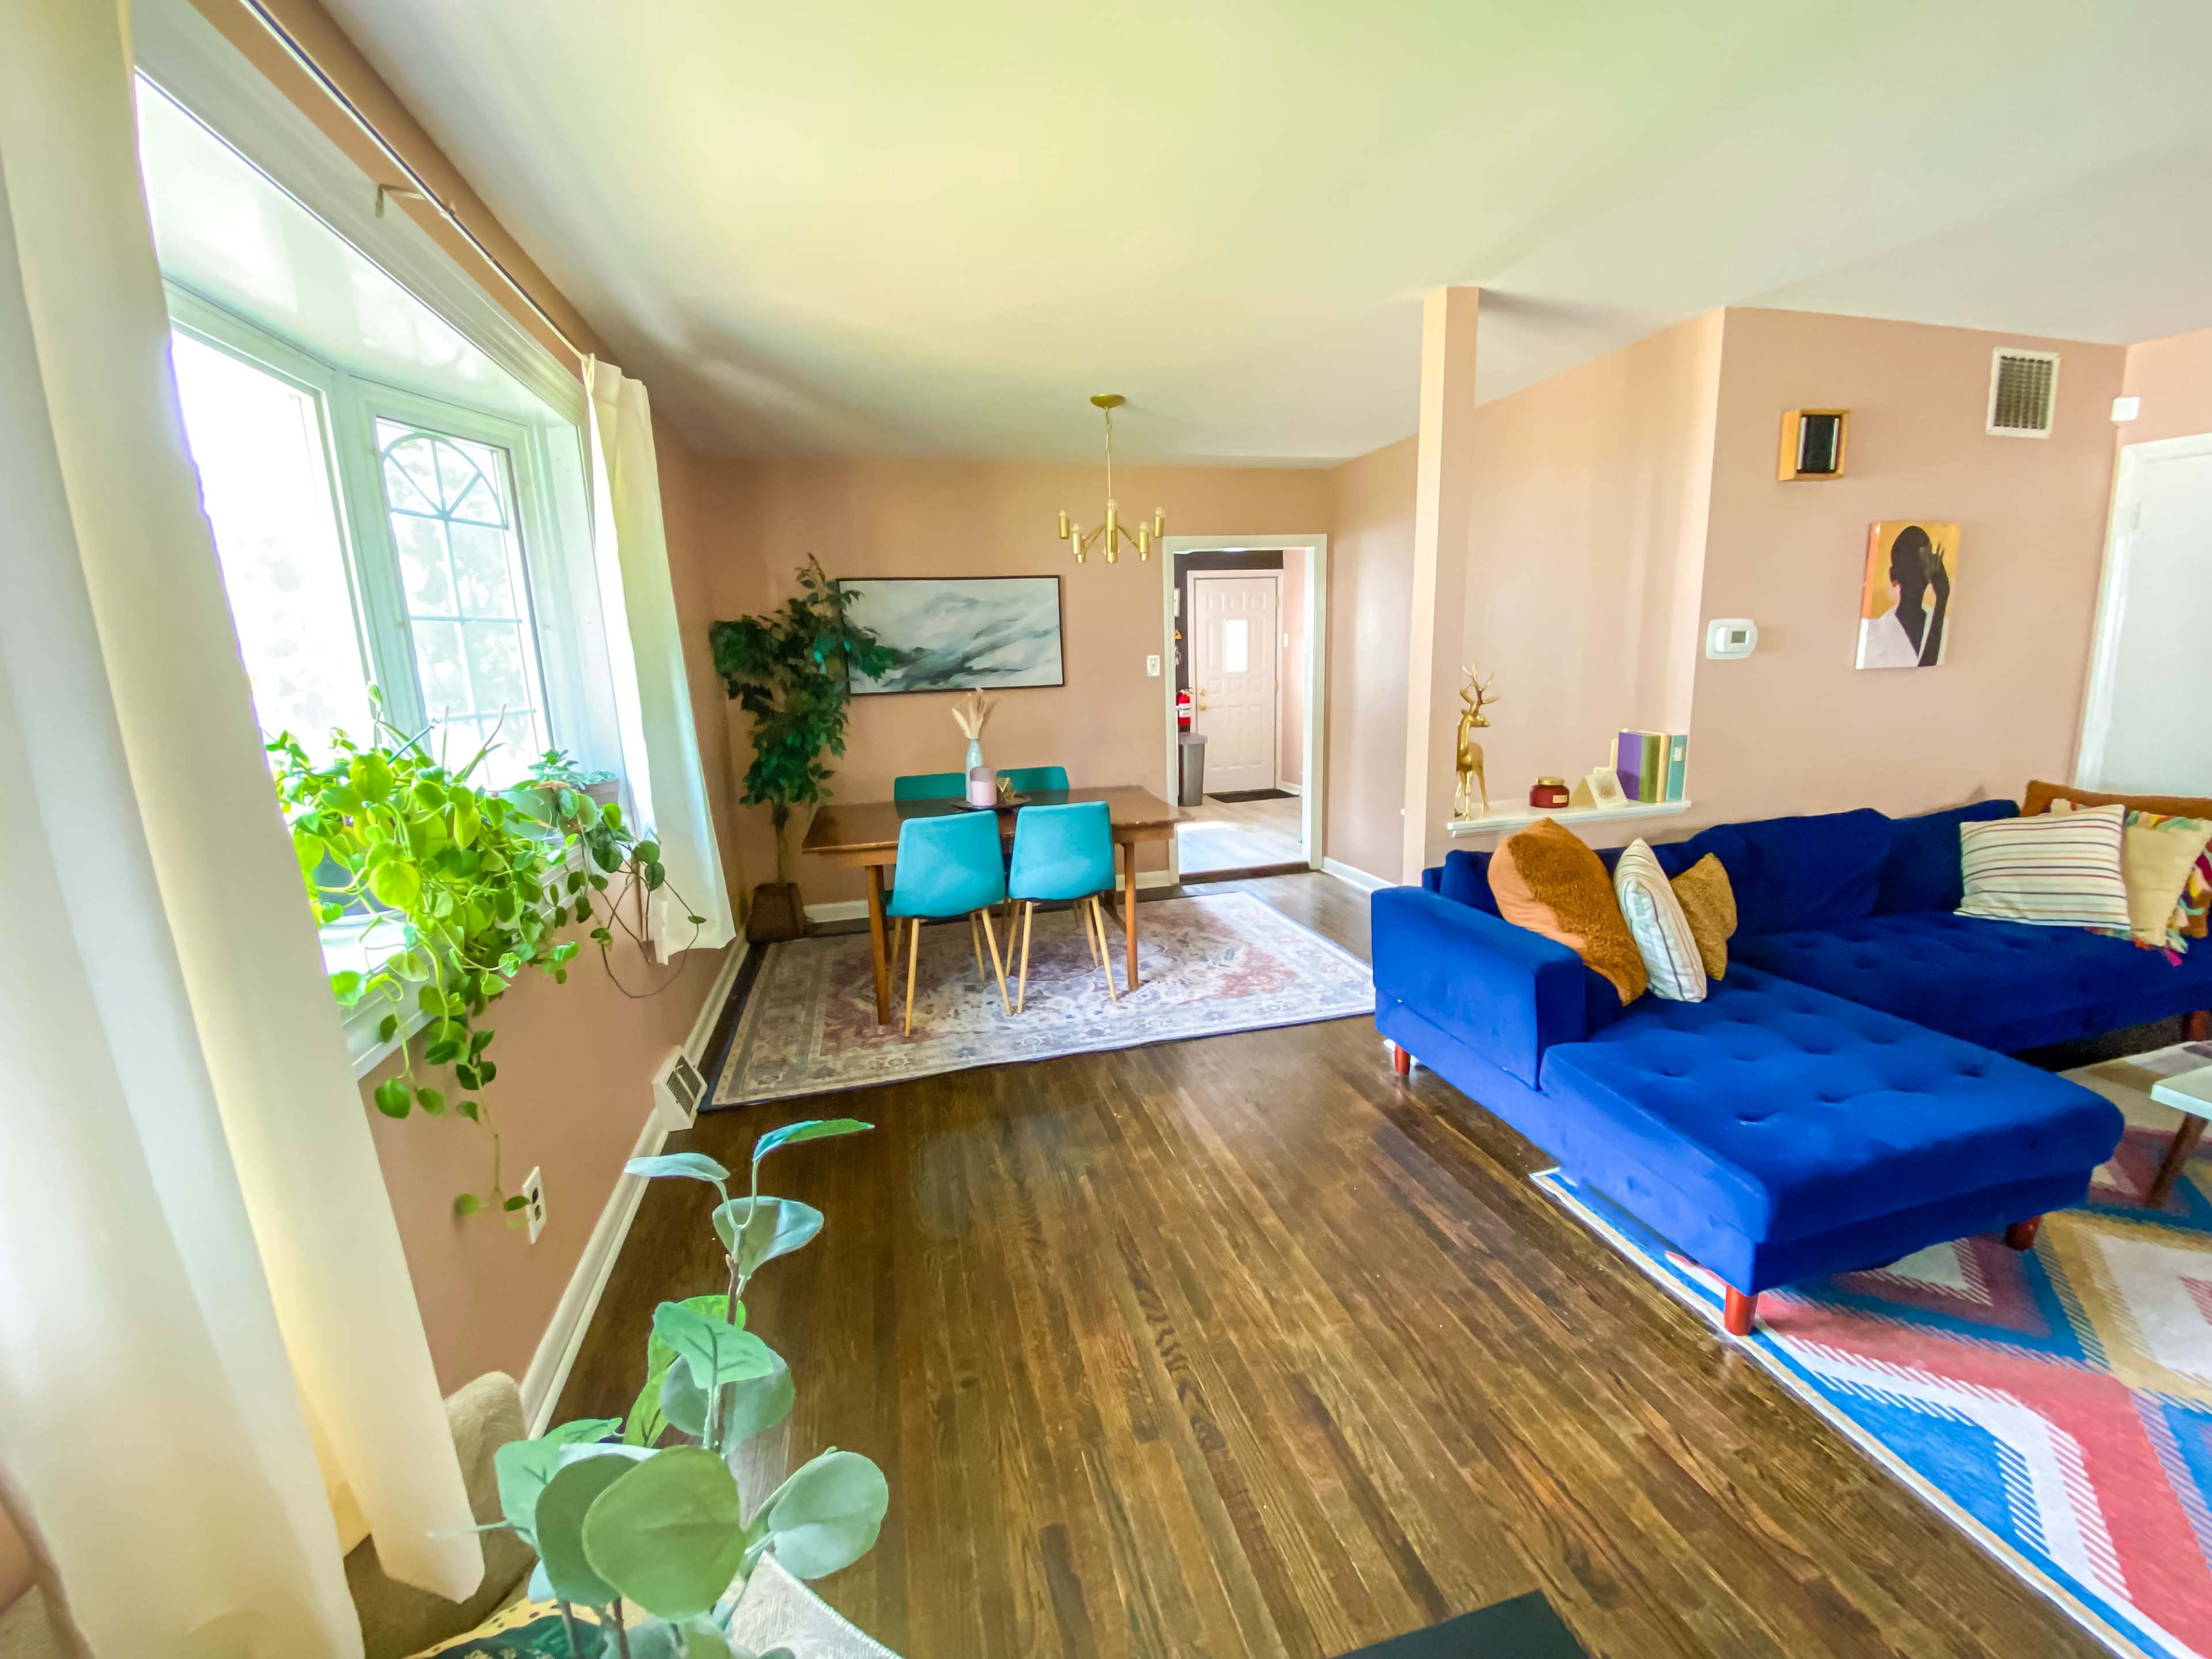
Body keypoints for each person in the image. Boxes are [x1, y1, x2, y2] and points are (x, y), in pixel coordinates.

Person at [1857, 524, 1951, 669]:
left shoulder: (1947, 627)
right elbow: (1921, 675)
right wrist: (1942, 599)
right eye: (1909, 561)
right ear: (1894, 575)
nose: (1918, 569)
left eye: (1923, 559)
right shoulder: (1871, 633)